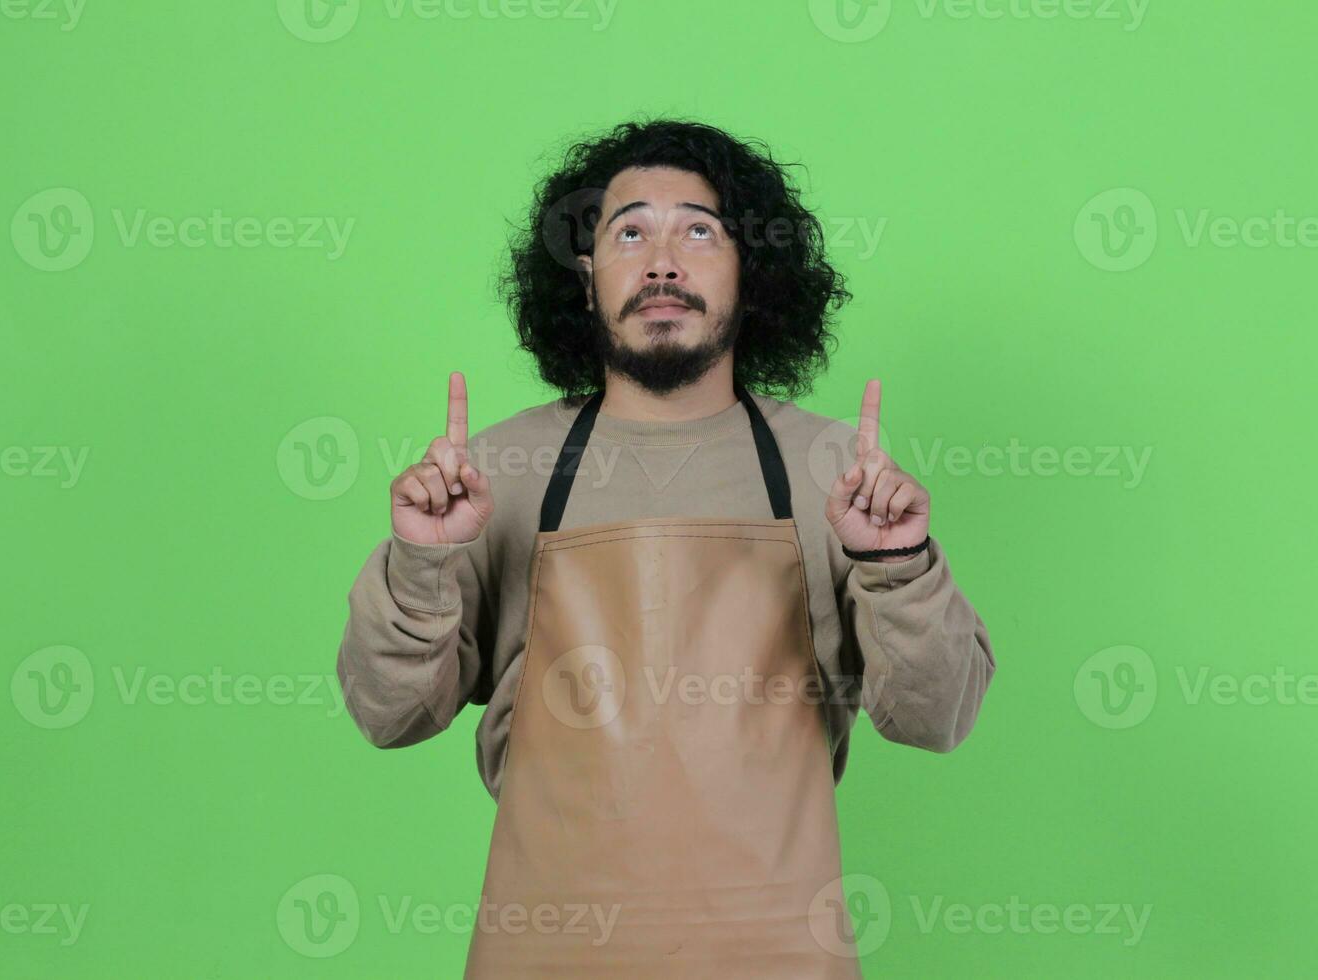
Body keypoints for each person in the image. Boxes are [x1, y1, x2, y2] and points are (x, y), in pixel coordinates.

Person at [335, 118, 996, 978]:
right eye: (630, 231)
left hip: (779, 955)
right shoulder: (494, 473)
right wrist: (421, 560)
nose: (662, 262)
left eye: (698, 229)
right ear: (585, 280)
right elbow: (390, 714)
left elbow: (936, 717)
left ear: (748, 274)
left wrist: (898, 564)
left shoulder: (838, 474)